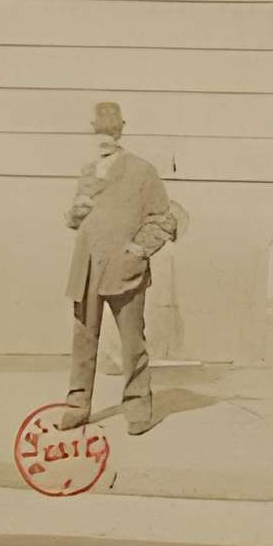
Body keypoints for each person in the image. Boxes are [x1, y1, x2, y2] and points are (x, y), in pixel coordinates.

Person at [58, 102, 175, 437]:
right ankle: (77, 406)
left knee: (132, 343)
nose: (104, 137)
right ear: (92, 133)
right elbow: (78, 220)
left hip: (125, 270)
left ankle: (138, 407)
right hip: (87, 268)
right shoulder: (87, 171)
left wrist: (138, 250)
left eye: (111, 131)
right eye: (99, 131)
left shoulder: (142, 171)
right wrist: (74, 215)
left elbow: (162, 220)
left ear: (121, 132)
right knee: (83, 341)